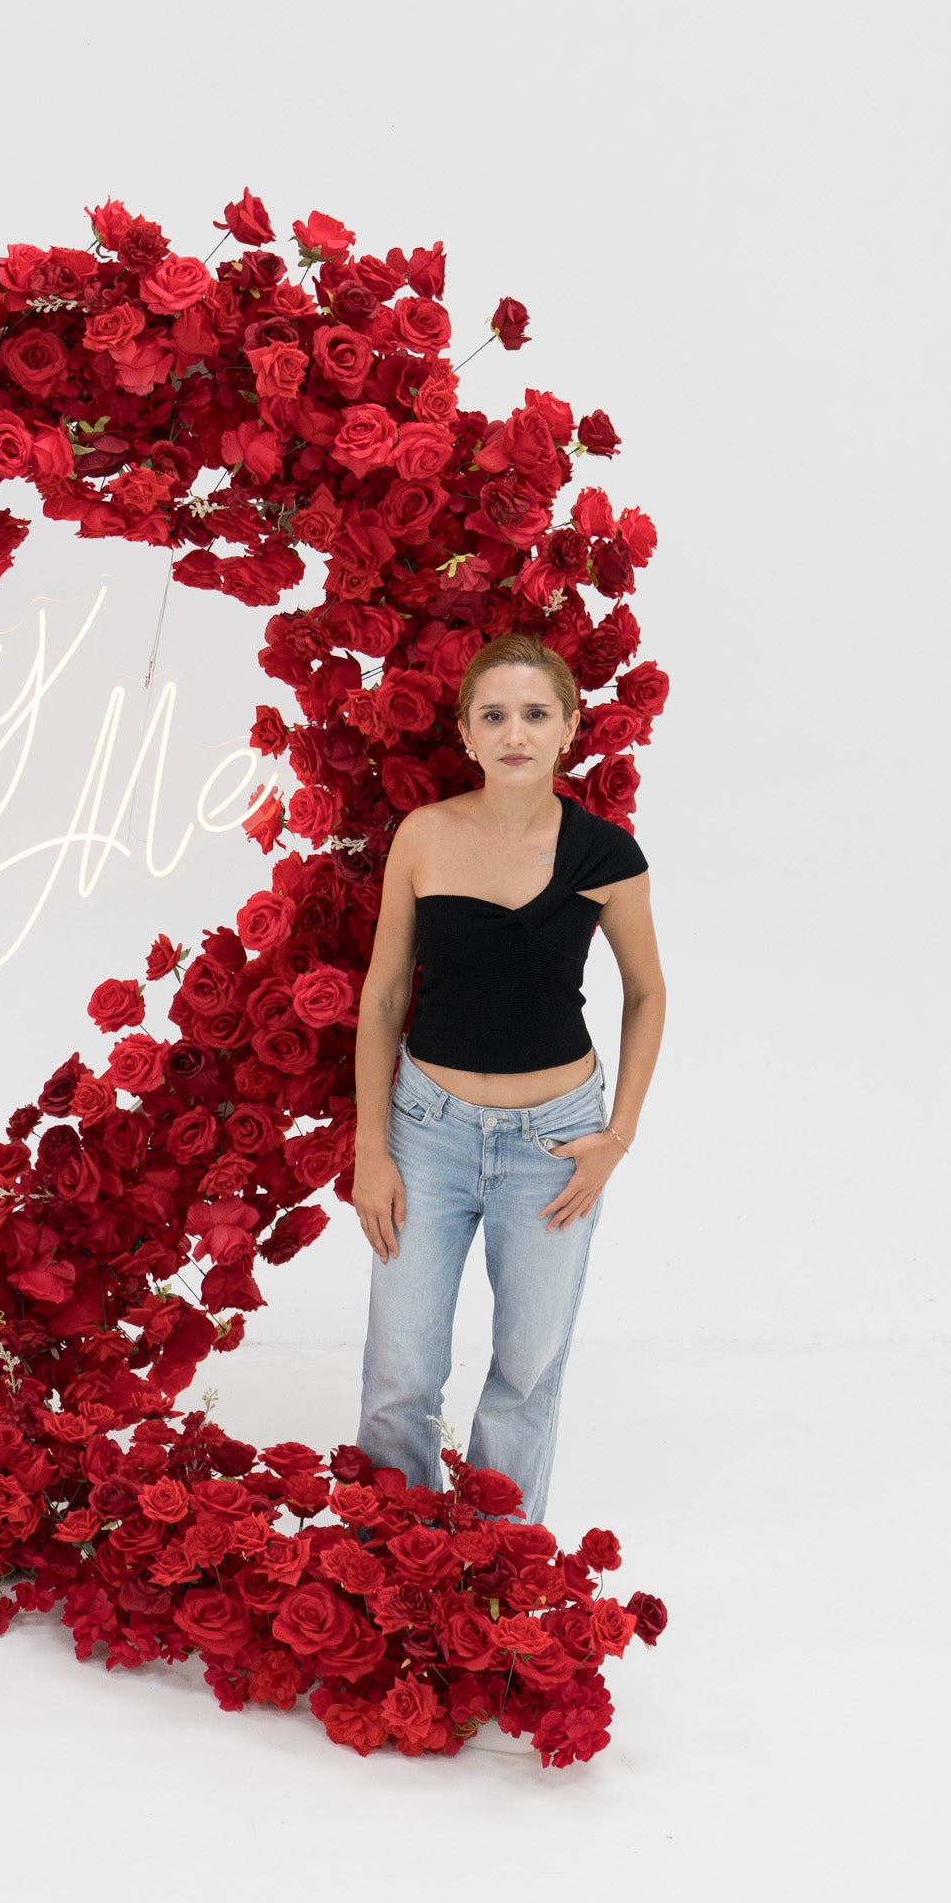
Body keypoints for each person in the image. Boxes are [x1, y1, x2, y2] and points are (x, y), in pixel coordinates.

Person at [349, 632, 666, 1525]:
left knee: (527, 1370)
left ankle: (499, 1563)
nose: (514, 733)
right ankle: (392, 1553)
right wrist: (372, 1148)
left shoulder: (608, 856)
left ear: (569, 727)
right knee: (400, 1369)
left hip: (556, 1144)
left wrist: (616, 1139)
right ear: (466, 732)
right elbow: (384, 995)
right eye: (494, 715)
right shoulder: (424, 835)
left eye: (535, 714)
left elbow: (647, 993)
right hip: (427, 1132)